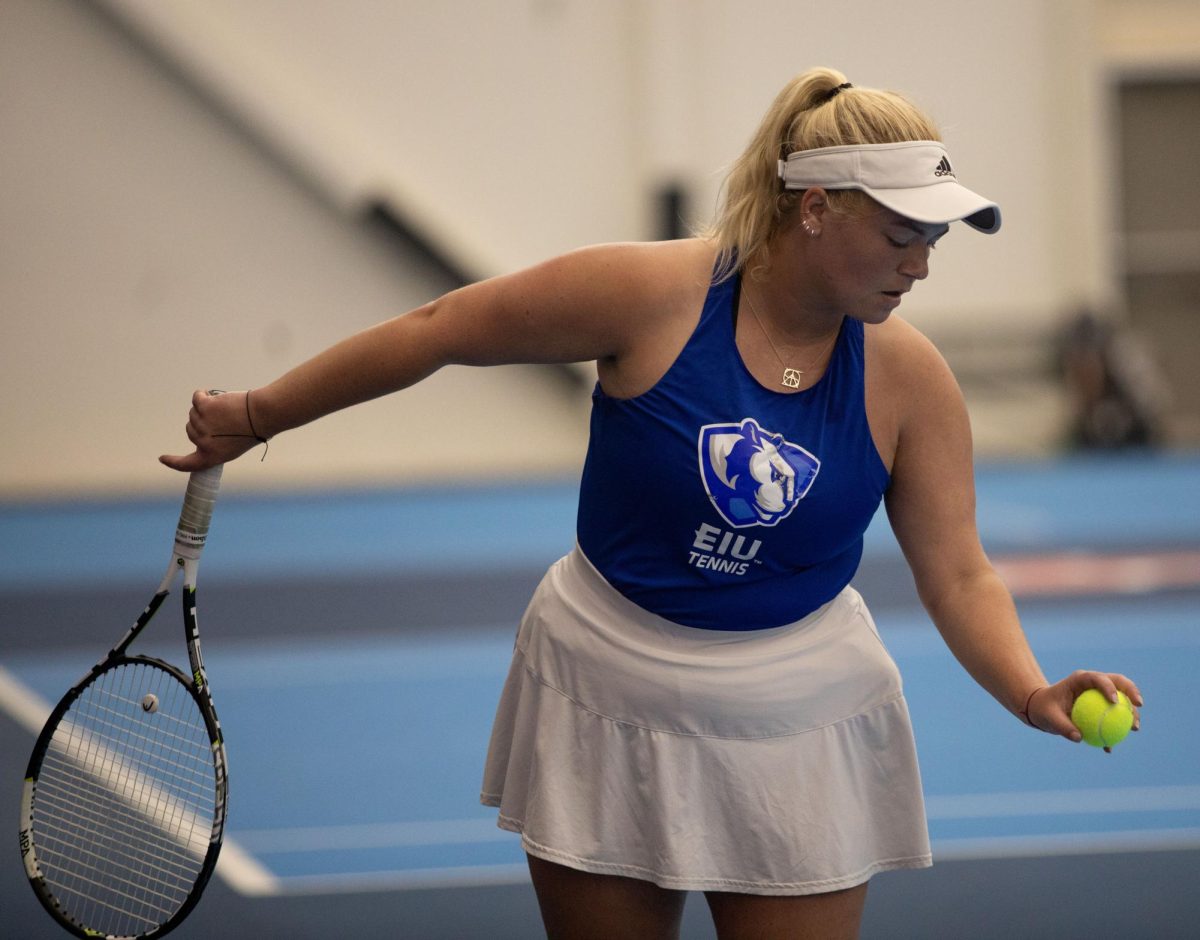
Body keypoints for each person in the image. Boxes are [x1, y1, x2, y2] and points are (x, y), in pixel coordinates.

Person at [161, 67, 1144, 940]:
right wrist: (257, 412)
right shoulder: (652, 295)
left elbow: (959, 566)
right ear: (815, 208)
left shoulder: (911, 379)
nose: (920, 263)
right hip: (606, 689)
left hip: (800, 714)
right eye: (900, 234)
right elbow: (441, 327)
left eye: (933, 238)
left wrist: (1028, 686)